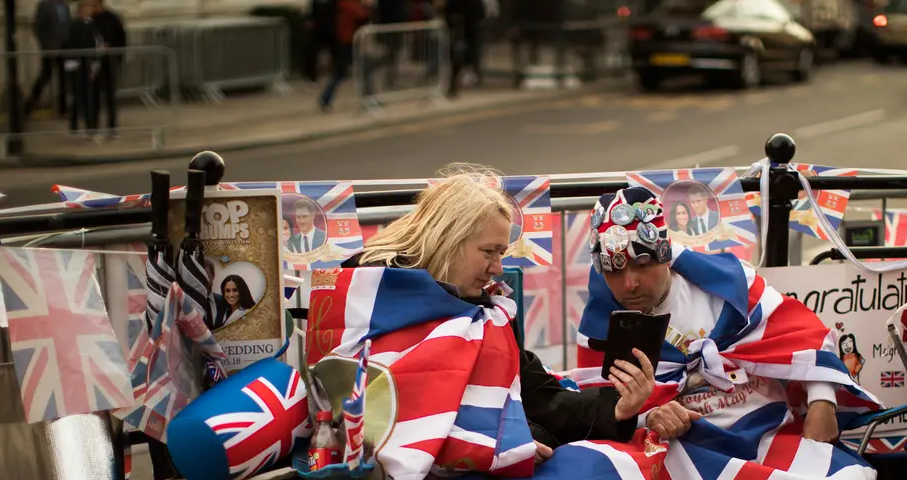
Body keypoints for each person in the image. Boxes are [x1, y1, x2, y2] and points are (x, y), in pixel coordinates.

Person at [347, 166, 654, 450]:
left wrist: (617, 408)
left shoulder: (489, 308)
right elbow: (389, 409)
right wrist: (497, 446)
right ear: (448, 240)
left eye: (502, 252)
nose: (497, 267)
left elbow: (537, 396)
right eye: (489, 251)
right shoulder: (369, 291)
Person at [579, 187, 847, 446]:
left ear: (666, 256)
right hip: (676, 454)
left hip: (769, 431)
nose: (629, 284)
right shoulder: (597, 330)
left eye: (642, 265)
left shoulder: (730, 285)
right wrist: (646, 417)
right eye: (614, 271)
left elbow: (804, 335)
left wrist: (822, 401)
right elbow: (593, 411)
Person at [319, 0, 373, 110]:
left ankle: (326, 98)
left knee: (342, 73)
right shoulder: (351, 6)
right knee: (359, 71)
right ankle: (369, 98)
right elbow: (362, 17)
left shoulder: (341, 6)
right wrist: (367, 7)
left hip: (343, 43)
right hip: (349, 44)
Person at [25, 0, 72, 119]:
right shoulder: (45, 6)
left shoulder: (65, 6)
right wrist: (46, 45)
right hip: (51, 48)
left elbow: (68, 26)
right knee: (45, 76)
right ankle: (28, 106)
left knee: (64, 78)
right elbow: (38, 27)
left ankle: (63, 109)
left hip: (65, 47)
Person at [62, 0, 100, 137]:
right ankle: (75, 125)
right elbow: (69, 44)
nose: (89, 9)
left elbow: (93, 45)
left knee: (86, 97)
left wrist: (95, 64)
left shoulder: (91, 24)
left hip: (87, 64)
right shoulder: (75, 25)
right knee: (77, 96)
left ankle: (89, 126)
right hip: (77, 64)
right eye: (87, 7)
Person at [92, 0, 126, 139]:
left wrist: (117, 55)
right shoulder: (90, 19)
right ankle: (93, 127)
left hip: (110, 62)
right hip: (94, 63)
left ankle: (112, 128)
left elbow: (121, 38)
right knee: (93, 97)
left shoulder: (112, 18)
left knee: (110, 97)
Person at [306, 0, 338, 84]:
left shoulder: (333, 3)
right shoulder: (316, 3)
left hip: (331, 30)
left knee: (336, 53)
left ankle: (336, 74)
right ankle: (312, 77)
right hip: (319, 31)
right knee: (313, 54)